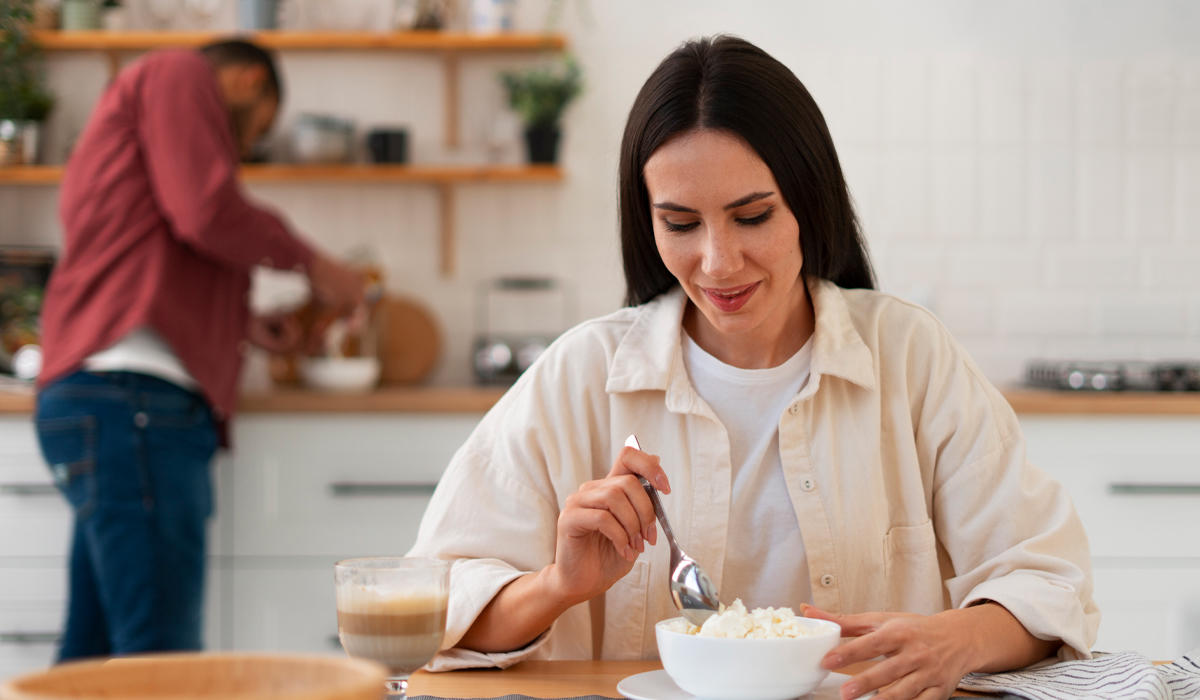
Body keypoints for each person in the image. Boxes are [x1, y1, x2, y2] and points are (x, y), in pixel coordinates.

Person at [409, 35, 1099, 700]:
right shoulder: (581, 375)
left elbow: (1046, 579)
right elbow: (433, 609)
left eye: (753, 216)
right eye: (680, 223)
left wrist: (959, 639)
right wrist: (559, 585)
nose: (717, 262)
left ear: (808, 202)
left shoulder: (910, 356)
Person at [34, 39, 364, 661]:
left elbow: (154, 251)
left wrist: (240, 319)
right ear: (246, 81)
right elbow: (204, 209)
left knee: (92, 659)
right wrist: (314, 264)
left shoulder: (134, 115)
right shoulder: (178, 71)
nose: (238, 149)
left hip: (103, 403)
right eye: (254, 129)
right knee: (161, 662)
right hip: (136, 407)